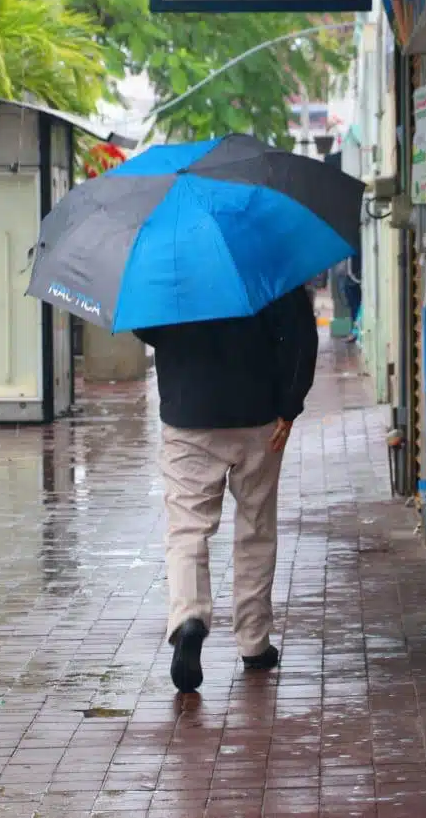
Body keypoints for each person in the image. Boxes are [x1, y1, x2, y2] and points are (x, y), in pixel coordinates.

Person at [134, 287, 319, 693]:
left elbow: (145, 326)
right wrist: (290, 406)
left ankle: (188, 620)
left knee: (187, 529)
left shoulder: (169, 264)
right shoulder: (267, 259)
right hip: (259, 416)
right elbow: (302, 337)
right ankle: (254, 643)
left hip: (187, 416)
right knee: (256, 526)